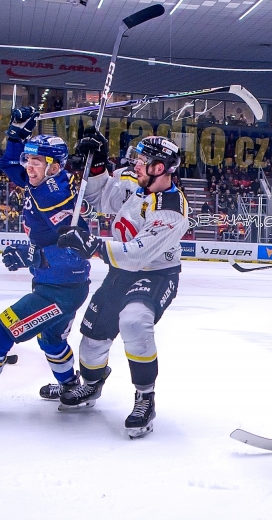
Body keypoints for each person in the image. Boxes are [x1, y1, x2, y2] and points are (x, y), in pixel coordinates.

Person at [0, 108, 91, 410]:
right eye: (29, 159)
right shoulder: (42, 183)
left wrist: (32, 254)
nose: (28, 166)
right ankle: (70, 387)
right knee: (51, 340)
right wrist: (16, 134)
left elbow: (78, 251)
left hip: (62, 290)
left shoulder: (54, 196)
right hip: (55, 286)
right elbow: (8, 164)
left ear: (53, 166)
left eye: (36, 161)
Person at [53, 128, 189, 439]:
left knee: (134, 321)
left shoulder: (171, 207)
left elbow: (138, 255)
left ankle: (145, 396)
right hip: (120, 272)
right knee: (90, 344)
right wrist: (97, 164)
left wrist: (94, 246)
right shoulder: (140, 187)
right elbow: (101, 198)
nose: (136, 165)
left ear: (160, 168)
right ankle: (92, 383)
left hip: (156, 274)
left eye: (144, 161)